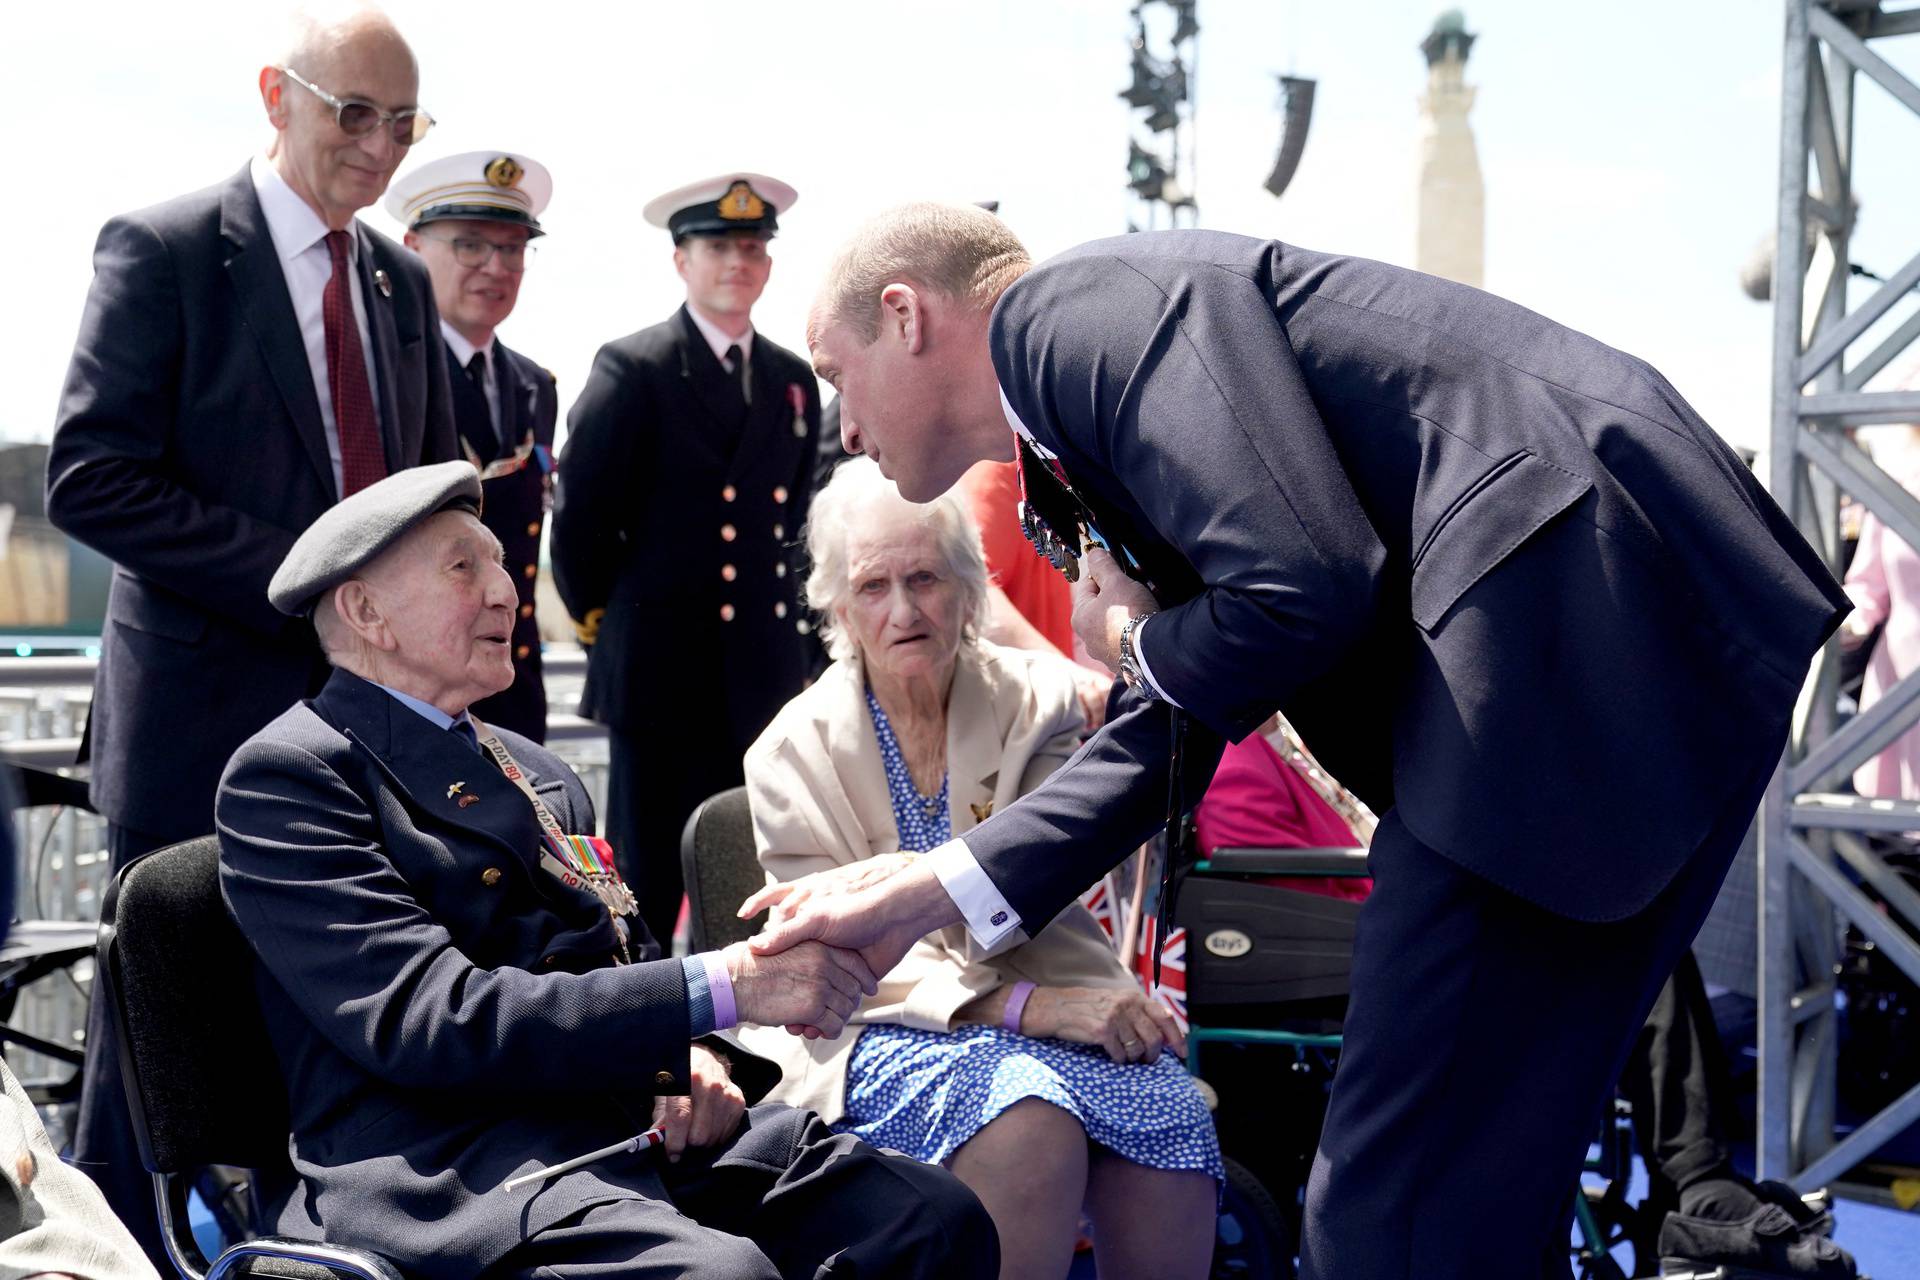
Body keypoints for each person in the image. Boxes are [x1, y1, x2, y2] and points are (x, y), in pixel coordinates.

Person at [741, 206, 1851, 1279]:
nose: (838, 424)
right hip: (1601, 645)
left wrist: (1132, 631)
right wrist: (929, 892)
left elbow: (1302, 586)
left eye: (837, 373)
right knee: (1470, 1201)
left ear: (907, 313)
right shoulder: (1082, 396)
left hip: (1559, 640)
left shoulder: (1071, 317)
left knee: (1384, 1208)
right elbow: (1178, 723)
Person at [217, 462, 995, 1280]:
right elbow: (433, 1020)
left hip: (617, 1131)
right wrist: (729, 982)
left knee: (930, 1220)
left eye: (499, 561)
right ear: (366, 611)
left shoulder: (529, 768)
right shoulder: (295, 777)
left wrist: (696, 1057)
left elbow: (629, 963)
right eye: (462, 567)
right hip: (455, 1173)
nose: (504, 591)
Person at [43, 4, 455, 1256]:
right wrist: (304, 574)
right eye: (355, 114)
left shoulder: (396, 282)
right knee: (157, 1061)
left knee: (331, 1033)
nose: (379, 148)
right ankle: (114, 1252)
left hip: (363, 734)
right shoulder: (165, 249)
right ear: (277, 95)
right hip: (200, 732)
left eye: (404, 122)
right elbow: (89, 476)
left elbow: (423, 488)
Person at [739, 459, 1219, 1280]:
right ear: (839, 608)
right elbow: (820, 967)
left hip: (1055, 988)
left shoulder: (1043, 703)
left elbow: (1042, 885)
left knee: (1172, 1112)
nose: (902, 610)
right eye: (872, 587)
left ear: (966, 588)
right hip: (868, 1030)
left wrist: (1042, 1000)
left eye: (924, 577)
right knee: (1027, 1113)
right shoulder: (788, 751)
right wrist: (1022, 1008)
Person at [551, 172, 822, 946]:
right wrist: (606, 624)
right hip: (660, 676)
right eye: (718, 246)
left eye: (752, 246)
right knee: (645, 879)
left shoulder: (790, 380)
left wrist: (799, 650)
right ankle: (654, 1043)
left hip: (761, 676)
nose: (739, 260)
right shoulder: (633, 369)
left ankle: (754, 1050)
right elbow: (579, 524)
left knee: (751, 880)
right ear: (681, 260)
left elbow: (796, 528)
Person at [386, 149, 559, 741]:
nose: (494, 266)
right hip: (415, 687)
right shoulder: (385, 375)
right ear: (411, 247)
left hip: (510, 679)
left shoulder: (534, 385)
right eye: (470, 245)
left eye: (512, 249)